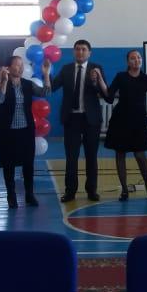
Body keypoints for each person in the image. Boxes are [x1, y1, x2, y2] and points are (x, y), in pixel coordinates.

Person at [94, 50, 147, 201]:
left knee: (140, 155)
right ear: (128, 62)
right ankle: (124, 190)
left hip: (139, 121)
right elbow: (108, 95)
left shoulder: (146, 79)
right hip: (120, 120)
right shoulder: (121, 76)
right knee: (120, 154)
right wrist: (100, 78)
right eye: (133, 58)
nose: (137, 60)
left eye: (139, 57)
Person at [42, 40, 104, 202]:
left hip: (91, 119)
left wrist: (96, 81)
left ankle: (92, 190)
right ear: (73, 52)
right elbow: (52, 88)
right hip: (72, 118)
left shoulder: (96, 68)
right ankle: (70, 192)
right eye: (77, 49)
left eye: (83, 49)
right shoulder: (66, 69)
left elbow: (104, 93)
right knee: (71, 157)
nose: (80, 52)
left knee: (91, 157)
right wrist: (47, 74)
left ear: (89, 53)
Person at [0, 55, 45, 208]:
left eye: (21, 65)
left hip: (26, 130)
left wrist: (46, 75)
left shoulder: (27, 84)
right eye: (17, 65)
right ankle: (11, 195)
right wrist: (4, 81)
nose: (20, 68)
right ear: (8, 68)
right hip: (7, 131)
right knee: (8, 164)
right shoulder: (1, 83)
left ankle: (30, 194)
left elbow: (44, 93)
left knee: (28, 163)